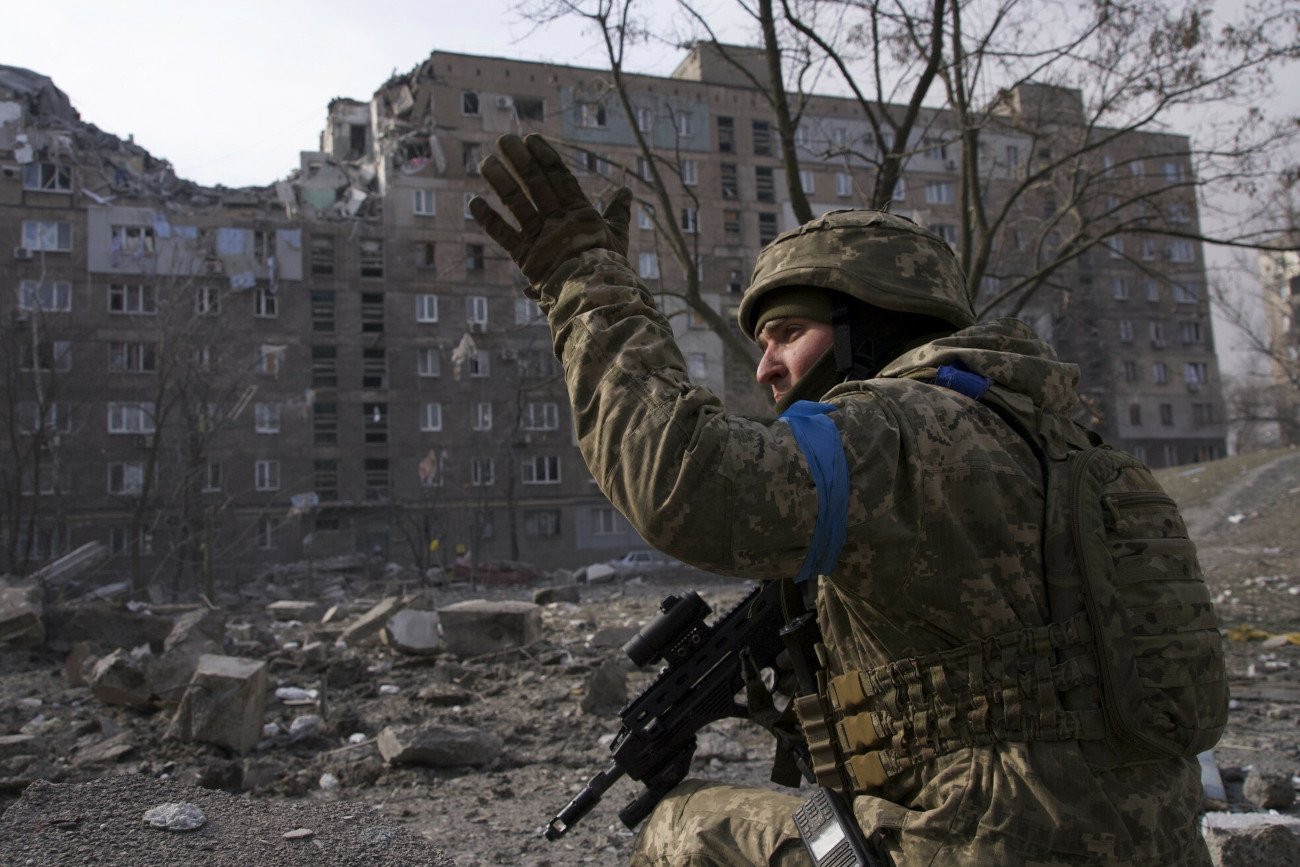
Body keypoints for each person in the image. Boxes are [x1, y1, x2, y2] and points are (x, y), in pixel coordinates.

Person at [470, 134, 1215, 866]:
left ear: (872, 326)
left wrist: (584, 281)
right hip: (1147, 837)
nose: (766, 368)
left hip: (981, 840)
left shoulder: (899, 428)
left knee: (679, 826)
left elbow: (684, 483)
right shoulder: (1064, 444)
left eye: (788, 334)